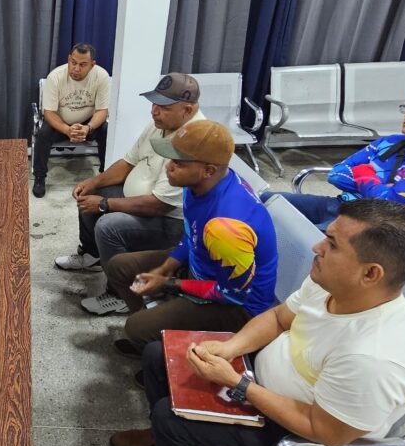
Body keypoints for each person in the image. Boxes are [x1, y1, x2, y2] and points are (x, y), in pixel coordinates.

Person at [109, 199, 405, 446]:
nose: (317, 247)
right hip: (264, 386)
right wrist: (229, 348)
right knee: (159, 355)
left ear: (370, 273)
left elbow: (325, 431)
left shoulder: (373, 356)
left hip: (310, 440)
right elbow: (278, 318)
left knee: (172, 418)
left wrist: (239, 385)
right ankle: (165, 441)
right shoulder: (331, 286)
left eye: (332, 244)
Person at [104, 119, 278, 371]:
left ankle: (162, 357)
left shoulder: (226, 227)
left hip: (238, 306)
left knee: (135, 328)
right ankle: (158, 335)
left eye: (179, 163)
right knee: (120, 267)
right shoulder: (196, 184)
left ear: (208, 170)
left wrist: (170, 284)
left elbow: (233, 294)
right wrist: (165, 269)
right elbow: (192, 234)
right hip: (204, 266)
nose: (169, 167)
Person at [58, 73, 208, 316]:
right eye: (154, 103)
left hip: (171, 222)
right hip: (147, 201)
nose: (154, 111)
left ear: (188, 109)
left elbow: (159, 205)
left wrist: (105, 204)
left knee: (108, 225)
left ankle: (122, 295)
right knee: (91, 195)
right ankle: (92, 255)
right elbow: (128, 162)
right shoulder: (160, 124)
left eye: (164, 107)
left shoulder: (194, 140)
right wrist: (93, 182)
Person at [263, 84, 405, 229]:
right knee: (261, 201)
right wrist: (378, 187)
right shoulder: (391, 142)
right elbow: (336, 174)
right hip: (343, 207)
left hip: (378, 232)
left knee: (286, 237)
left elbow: (385, 204)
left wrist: (363, 171)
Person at [31, 44, 112, 197]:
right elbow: (49, 113)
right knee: (43, 133)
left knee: (106, 130)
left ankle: (104, 176)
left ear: (92, 65)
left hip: (88, 124)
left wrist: (88, 128)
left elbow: (102, 110)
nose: (76, 68)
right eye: (73, 62)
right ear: (68, 59)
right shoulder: (55, 77)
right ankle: (40, 177)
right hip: (60, 124)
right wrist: (66, 129)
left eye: (82, 65)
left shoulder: (101, 76)